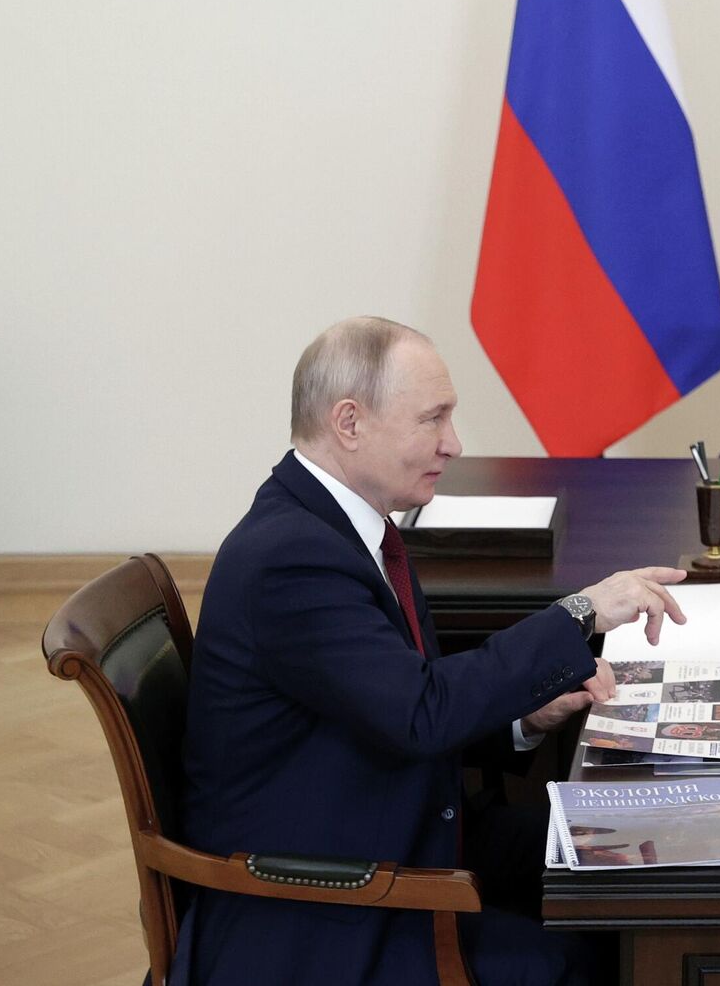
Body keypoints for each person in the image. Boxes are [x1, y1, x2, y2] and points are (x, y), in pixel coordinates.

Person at [176, 316, 687, 985]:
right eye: (432, 418)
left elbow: (396, 695)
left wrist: (523, 719)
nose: (454, 442)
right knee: (600, 945)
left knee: (635, 856)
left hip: (397, 828)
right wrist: (581, 611)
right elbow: (421, 710)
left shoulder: (347, 525)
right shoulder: (290, 558)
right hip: (327, 902)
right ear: (349, 423)